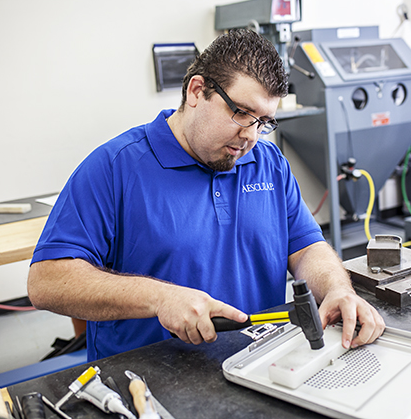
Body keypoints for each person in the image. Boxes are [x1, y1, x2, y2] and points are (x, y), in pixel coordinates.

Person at [27, 29, 385, 361]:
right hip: (147, 379)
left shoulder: (268, 162)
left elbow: (306, 247)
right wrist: (160, 298)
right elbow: (47, 281)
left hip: (260, 366)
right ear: (197, 91)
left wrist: (338, 290)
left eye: (264, 122)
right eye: (241, 113)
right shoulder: (115, 167)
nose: (251, 136)